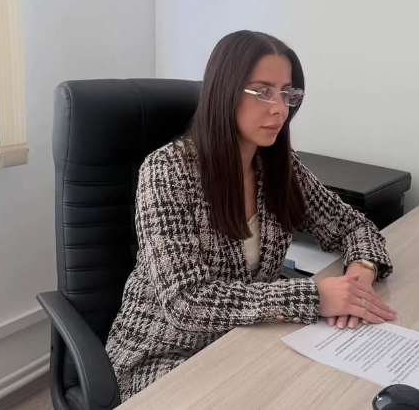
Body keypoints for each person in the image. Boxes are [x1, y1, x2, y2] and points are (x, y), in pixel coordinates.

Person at [105, 30, 396, 400]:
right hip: (163, 356)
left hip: (247, 340)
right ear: (225, 91)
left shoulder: (277, 165)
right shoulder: (167, 170)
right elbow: (185, 301)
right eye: (263, 92)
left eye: (287, 93)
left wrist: (361, 272)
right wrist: (313, 296)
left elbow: (353, 225)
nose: (280, 109)